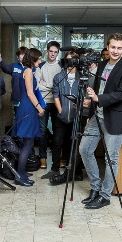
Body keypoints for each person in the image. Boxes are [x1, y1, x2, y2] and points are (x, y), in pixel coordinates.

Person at [79, 34, 122, 209]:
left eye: (119, 48)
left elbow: (121, 93)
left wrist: (98, 98)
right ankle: (95, 188)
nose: (116, 51)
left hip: (116, 117)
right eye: (113, 47)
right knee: (85, 149)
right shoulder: (102, 65)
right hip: (98, 115)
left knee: (110, 158)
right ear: (108, 47)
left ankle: (105, 195)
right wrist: (91, 104)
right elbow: (97, 90)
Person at [11, 48, 45, 186]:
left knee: (27, 142)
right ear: (33, 59)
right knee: (28, 143)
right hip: (28, 108)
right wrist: (39, 108)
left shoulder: (25, 70)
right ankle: (20, 176)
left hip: (24, 107)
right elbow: (30, 93)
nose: (40, 61)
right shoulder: (29, 71)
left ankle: (22, 173)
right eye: (39, 58)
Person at [48, 51, 83, 179]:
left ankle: (73, 170)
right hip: (61, 117)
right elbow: (55, 95)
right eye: (68, 59)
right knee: (57, 142)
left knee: (73, 144)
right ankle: (54, 169)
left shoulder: (81, 77)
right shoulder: (59, 77)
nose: (71, 62)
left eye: (73, 60)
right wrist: (61, 110)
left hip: (76, 118)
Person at [36, 41, 62, 169]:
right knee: (42, 131)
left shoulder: (61, 67)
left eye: (55, 52)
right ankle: (42, 158)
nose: (53, 54)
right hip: (44, 103)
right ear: (47, 51)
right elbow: (37, 85)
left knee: (58, 131)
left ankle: (59, 158)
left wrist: (45, 84)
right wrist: (53, 85)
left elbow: (61, 86)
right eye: (51, 51)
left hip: (57, 103)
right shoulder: (40, 66)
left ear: (58, 53)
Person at [1, 46, 28, 119]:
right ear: (18, 56)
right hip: (17, 98)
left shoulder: (30, 68)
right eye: (21, 54)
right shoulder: (14, 66)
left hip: (27, 99)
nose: (23, 57)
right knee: (18, 119)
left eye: (25, 54)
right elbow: (5, 68)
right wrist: (0, 60)